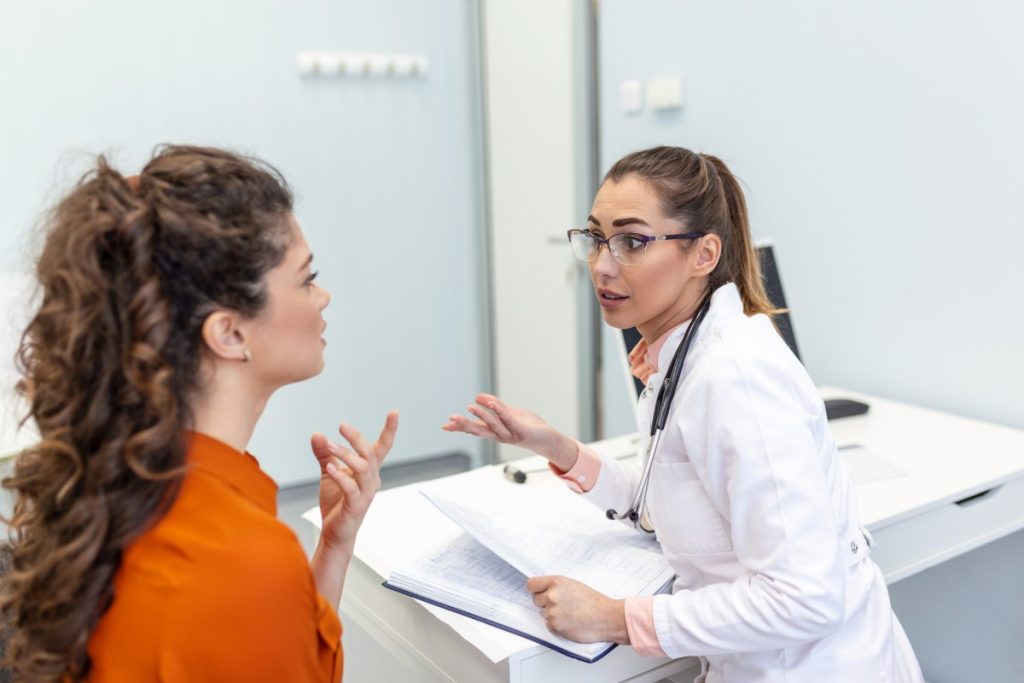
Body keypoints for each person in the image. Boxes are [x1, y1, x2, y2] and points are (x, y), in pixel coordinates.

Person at [444, 146, 922, 682]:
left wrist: (615, 617)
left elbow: (806, 599)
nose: (602, 265)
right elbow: (665, 499)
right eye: (596, 238)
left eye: (632, 241)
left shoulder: (735, 378)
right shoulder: (684, 355)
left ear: (704, 254)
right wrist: (560, 449)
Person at [0, 145, 398, 682]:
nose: (322, 297)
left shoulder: (125, 481)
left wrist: (333, 546)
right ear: (229, 333)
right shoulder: (239, 561)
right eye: (306, 278)